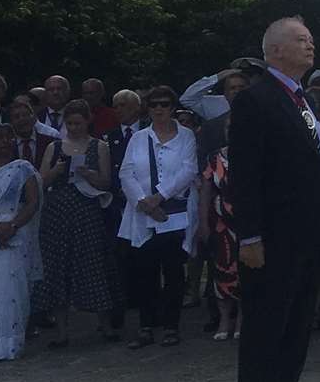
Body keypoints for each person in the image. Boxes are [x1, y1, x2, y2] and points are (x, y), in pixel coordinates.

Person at [228, 17, 320, 382]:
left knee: (295, 325)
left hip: (308, 236)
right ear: (275, 50)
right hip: (273, 238)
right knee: (266, 326)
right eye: (301, 40)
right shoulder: (256, 101)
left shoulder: (303, 99)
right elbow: (246, 174)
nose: (310, 46)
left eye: (311, 39)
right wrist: (250, 237)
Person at [32, 100, 124, 347]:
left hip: (87, 211)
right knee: (57, 268)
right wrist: (57, 171)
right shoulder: (55, 147)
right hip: (57, 213)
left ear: (87, 122)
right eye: (69, 123)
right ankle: (62, 332)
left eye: (78, 123)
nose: (73, 128)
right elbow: (40, 181)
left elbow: (106, 183)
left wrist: (91, 175)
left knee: (93, 264)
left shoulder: (99, 146)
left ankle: (104, 325)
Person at [117, 85, 198, 349]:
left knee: (174, 272)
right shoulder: (139, 138)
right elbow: (126, 173)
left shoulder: (186, 136)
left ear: (173, 107)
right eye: (154, 105)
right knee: (144, 272)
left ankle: (171, 325)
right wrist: (146, 203)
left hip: (174, 214)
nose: (159, 109)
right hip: (143, 215)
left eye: (164, 104)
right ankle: (146, 325)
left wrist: (160, 196)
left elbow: (188, 170)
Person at [0, 124, 44, 360]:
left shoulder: (23, 168)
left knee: (10, 290)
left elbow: (33, 202)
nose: (5, 141)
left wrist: (11, 225)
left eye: (9, 137)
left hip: (16, 232)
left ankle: (9, 345)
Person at [102, 90, 144, 337]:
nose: (119, 110)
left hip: (145, 203)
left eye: (124, 105)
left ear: (137, 108)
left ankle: (147, 303)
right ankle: (120, 304)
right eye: (115, 105)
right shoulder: (109, 137)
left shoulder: (149, 132)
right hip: (118, 206)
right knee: (118, 258)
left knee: (145, 256)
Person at [199, 119, 241, 342]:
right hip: (221, 225)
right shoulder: (214, 158)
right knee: (222, 270)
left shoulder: (256, 153)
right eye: (229, 129)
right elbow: (206, 191)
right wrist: (203, 222)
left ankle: (243, 318)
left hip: (248, 224)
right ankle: (225, 318)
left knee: (247, 271)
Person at [8, 97, 56, 169]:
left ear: (33, 117)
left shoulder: (49, 142)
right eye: (16, 117)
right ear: (11, 121)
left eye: (25, 115)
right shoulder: (7, 145)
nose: (22, 119)